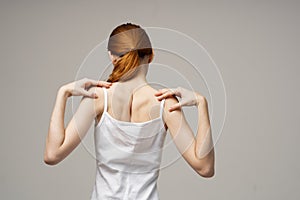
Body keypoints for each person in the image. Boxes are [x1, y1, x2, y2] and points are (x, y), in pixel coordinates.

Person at [43, 23, 215, 200]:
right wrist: (201, 103)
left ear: (111, 56)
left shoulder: (98, 97)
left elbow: (52, 155)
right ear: (150, 56)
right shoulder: (166, 103)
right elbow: (205, 168)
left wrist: (62, 93)